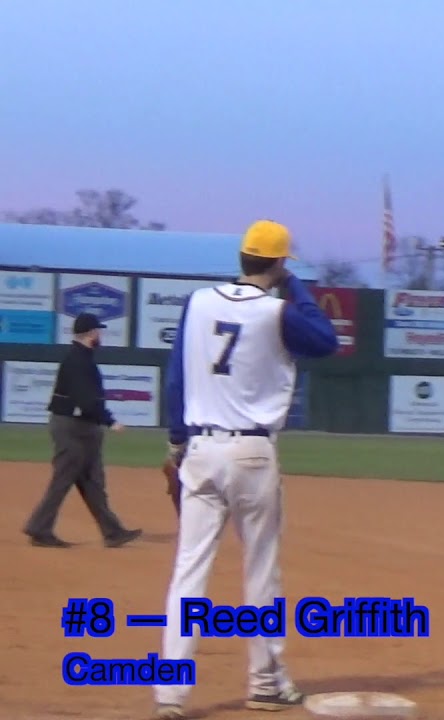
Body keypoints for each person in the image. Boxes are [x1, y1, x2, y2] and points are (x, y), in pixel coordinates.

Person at [151, 220, 339, 720]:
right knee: (260, 574)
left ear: (240, 257)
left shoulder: (196, 302)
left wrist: (175, 443)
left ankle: (170, 696)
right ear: (277, 263)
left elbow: (177, 378)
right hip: (252, 455)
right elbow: (326, 340)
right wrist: (290, 282)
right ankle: (264, 685)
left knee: (187, 574)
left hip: (200, 449)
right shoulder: (278, 311)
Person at [23, 312, 142, 549]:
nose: (101, 334)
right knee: (64, 479)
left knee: (92, 482)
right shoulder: (78, 360)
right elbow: (86, 400)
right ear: (91, 333)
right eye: (98, 330)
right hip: (72, 427)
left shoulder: (82, 358)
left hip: (83, 427)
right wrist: (109, 421)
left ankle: (113, 532)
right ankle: (39, 528)